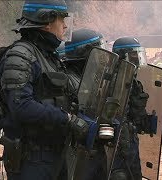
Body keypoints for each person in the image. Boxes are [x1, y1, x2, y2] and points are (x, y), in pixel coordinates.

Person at [0, 1, 90, 179]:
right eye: (61, 19)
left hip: (54, 155)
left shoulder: (49, 56)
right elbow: (21, 106)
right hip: (31, 160)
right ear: (46, 20)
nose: (64, 25)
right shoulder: (21, 55)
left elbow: (62, 98)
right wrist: (67, 119)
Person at [62, 28, 107, 180]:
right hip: (77, 150)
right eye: (98, 52)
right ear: (84, 53)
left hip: (94, 147)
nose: (102, 57)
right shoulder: (68, 79)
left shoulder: (91, 78)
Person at [111, 37, 150, 180]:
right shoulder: (115, 79)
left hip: (131, 135)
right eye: (134, 55)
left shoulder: (132, 79)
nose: (138, 59)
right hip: (119, 139)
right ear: (123, 56)